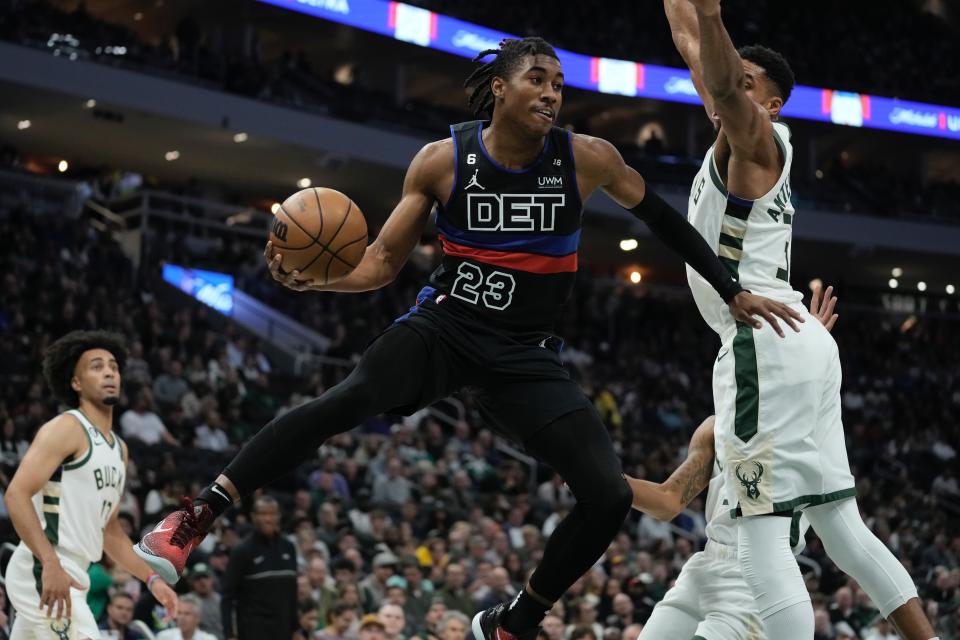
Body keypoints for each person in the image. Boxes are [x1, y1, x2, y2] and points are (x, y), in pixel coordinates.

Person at [135, 35, 800, 640]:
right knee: (350, 397)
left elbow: (664, 219)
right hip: (447, 328)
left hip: (526, 356)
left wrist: (730, 285)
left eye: (560, 86)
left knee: (609, 496)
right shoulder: (442, 161)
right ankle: (197, 515)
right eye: (539, 80)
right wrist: (318, 285)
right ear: (501, 88)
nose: (551, 93)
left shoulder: (588, 159)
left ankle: (515, 621)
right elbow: (381, 262)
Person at [662, 1, 937, 639]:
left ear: (774, 104)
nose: (727, 81)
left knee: (760, 533)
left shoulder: (760, 139)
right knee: (841, 525)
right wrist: (693, 15)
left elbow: (723, 76)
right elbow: (688, 39)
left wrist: (711, 13)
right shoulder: (731, 133)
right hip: (794, 333)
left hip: (760, 334)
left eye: (747, 83)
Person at [629, 285, 837, 639]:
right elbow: (668, 503)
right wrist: (599, 478)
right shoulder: (714, 426)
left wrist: (813, 352)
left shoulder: (806, 425)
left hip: (755, 578)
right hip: (704, 566)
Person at [3, 330, 177, 639]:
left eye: (113, 365)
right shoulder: (67, 427)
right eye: (96, 366)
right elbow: (16, 494)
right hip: (44, 568)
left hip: (73, 572)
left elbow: (109, 532)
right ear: (76, 383)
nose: (109, 371)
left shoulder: (119, 449)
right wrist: (50, 562)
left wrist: (153, 581)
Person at [220, 495, 298, 640]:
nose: (268, 519)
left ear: (279, 516)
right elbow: (227, 596)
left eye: (273, 513)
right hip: (253, 632)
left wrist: (295, 628)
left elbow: (292, 592)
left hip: (284, 631)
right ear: (253, 517)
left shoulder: (289, 547)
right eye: (263, 514)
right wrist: (229, 633)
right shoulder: (241, 550)